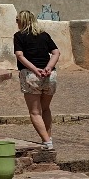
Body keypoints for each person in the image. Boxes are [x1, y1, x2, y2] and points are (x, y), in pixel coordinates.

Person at [13, 10, 60, 149]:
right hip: (50, 76)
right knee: (45, 109)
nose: (16, 22)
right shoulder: (44, 35)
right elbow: (56, 52)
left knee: (35, 112)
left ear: (22, 21)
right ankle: (48, 138)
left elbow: (19, 55)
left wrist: (34, 69)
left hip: (31, 75)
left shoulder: (19, 36)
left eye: (17, 20)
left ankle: (47, 142)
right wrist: (48, 67)